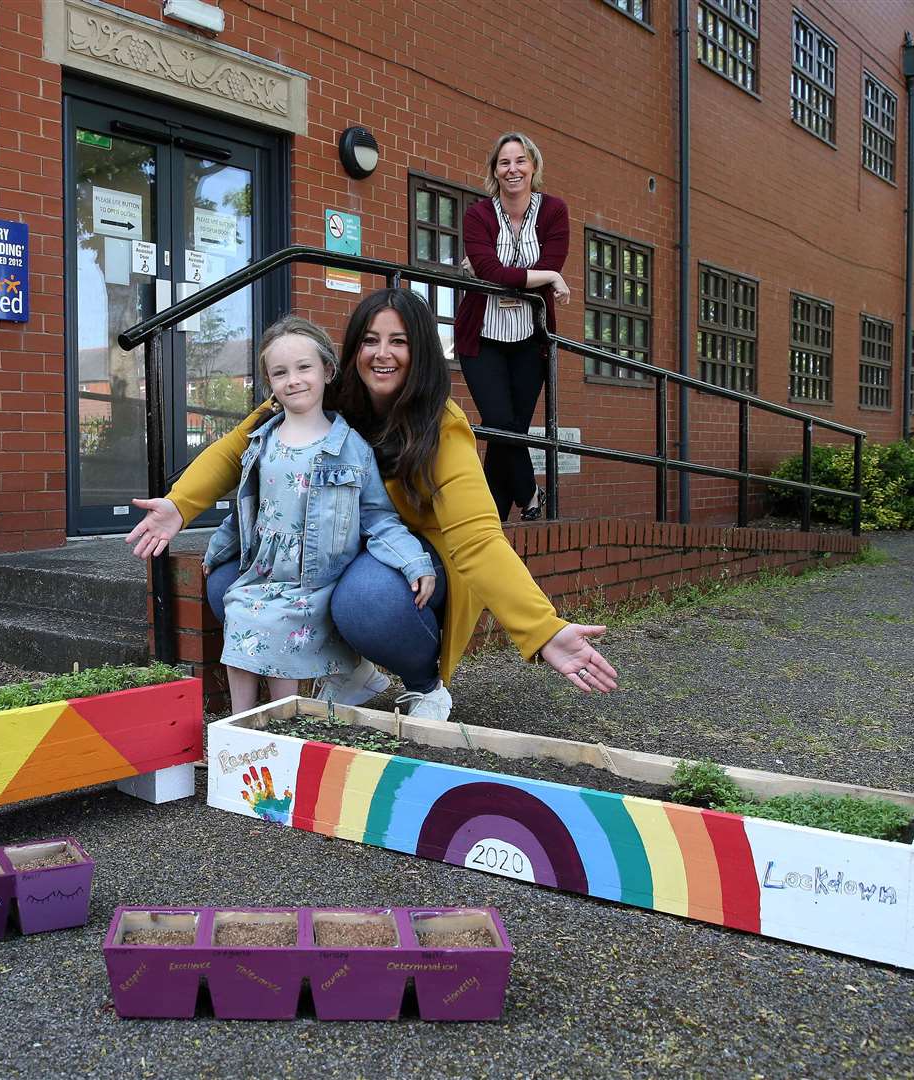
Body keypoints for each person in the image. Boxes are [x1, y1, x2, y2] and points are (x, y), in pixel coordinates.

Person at [126, 288, 616, 721]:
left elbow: (478, 538)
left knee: (365, 598)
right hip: (326, 549)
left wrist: (542, 630)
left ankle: (424, 685)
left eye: (398, 341)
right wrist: (179, 504)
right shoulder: (321, 393)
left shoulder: (439, 426)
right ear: (351, 349)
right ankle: (354, 672)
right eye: (370, 340)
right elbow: (240, 446)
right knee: (232, 578)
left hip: (409, 564)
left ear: (421, 350)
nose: (383, 354)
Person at [201, 315, 436, 716]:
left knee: (275, 625)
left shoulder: (350, 448)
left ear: (328, 370)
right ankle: (240, 725)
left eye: (303, 367)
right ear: (270, 385)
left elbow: (377, 517)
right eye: (280, 372)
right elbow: (245, 510)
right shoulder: (262, 442)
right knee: (238, 607)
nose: (293, 380)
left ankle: (285, 722)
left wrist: (414, 561)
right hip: (266, 572)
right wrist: (216, 550)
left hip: (315, 578)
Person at [458, 131, 572, 523]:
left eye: (520, 161)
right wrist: (546, 278)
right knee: (500, 424)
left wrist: (530, 274)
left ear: (533, 166)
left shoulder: (554, 211)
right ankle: (530, 490)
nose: (513, 169)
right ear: (494, 171)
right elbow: (489, 270)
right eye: (504, 162)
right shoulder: (478, 214)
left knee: (509, 431)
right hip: (482, 337)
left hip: (530, 341)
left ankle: (495, 518)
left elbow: (545, 262)